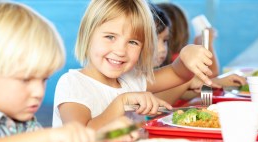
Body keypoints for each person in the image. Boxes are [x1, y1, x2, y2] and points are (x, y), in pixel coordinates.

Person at [0, 1, 138, 142]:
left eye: (44, 79)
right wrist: (49, 137)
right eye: (26, 80)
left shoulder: (25, 123)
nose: (38, 92)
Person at [53, 0, 214, 131]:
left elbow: (178, 74)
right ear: (87, 36)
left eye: (132, 42)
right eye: (110, 37)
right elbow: (82, 136)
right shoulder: (73, 84)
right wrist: (122, 102)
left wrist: (186, 56)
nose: (121, 50)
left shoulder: (131, 79)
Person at [154, 2, 246, 105]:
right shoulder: (175, 62)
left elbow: (182, 91)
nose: (161, 49)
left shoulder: (157, 72)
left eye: (165, 40)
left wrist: (217, 82)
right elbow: (160, 100)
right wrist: (205, 42)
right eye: (154, 40)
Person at [157, 2, 220, 77]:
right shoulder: (180, 61)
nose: (162, 49)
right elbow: (211, 74)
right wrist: (207, 43)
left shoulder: (176, 59)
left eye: (164, 41)